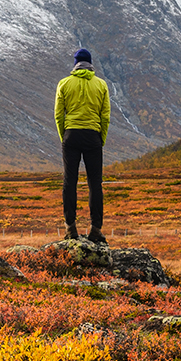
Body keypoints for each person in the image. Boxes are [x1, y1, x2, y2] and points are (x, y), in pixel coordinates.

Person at [53, 47, 110, 243]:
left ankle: (70, 228)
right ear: (90, 63)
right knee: (95, 183)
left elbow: (58, 114)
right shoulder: (101, 85)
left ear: (75, 64)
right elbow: (105, 116)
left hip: (71, 135)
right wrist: (100, 138)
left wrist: (64, 136)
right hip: (93, 135)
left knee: (70, 181)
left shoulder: (64, 83)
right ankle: (96, 229)